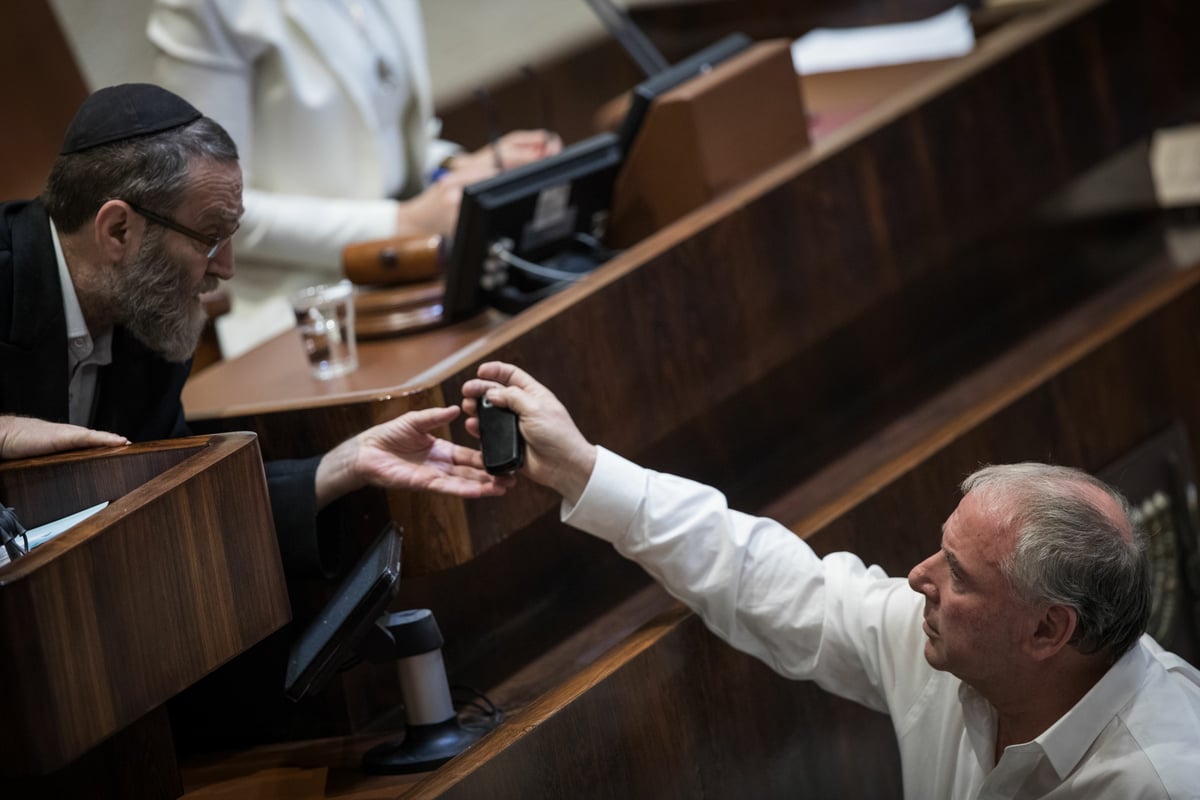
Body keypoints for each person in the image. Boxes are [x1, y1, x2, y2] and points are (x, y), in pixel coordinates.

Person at [460, 362, 1200, 798]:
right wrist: (585, 469)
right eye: (939, 551)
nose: (919, 578)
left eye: (959, 575)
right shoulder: (952, 646)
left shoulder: (1164, 779)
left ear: (1048, 631)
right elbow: (778, 584)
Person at [0, 83, 511, 578]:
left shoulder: (147, 314)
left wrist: (343, 464)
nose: (226, 268)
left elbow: (172, 501)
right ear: (118, 231)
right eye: (210, 239)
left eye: (231, 236)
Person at [147, 0, 562, 354]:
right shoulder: (208, 7)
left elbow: (392, 145)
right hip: (307, 321)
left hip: (425, 283)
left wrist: (457, 168)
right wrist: (400, 224)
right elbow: (209, 210)